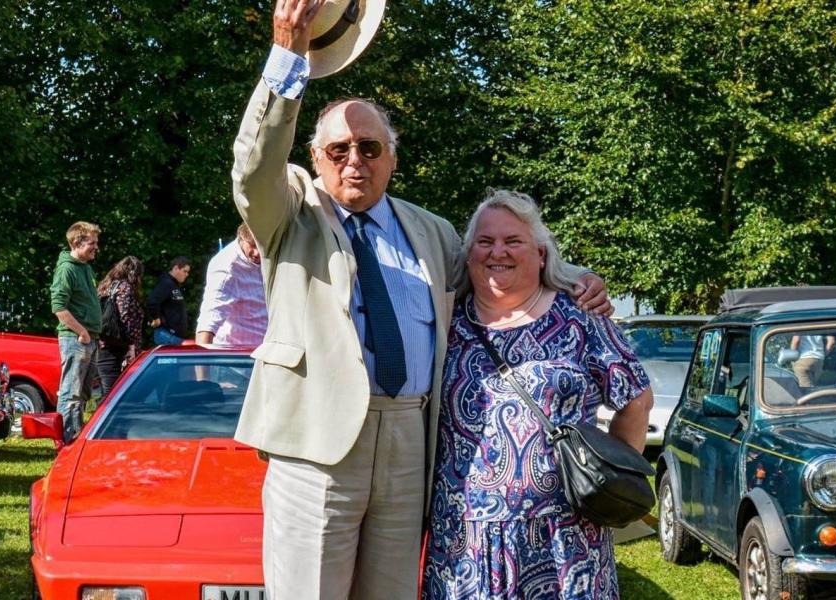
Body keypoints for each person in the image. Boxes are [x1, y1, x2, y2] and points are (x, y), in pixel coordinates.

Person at [231, 3, 611, 598]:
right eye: (338, 150)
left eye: (370, 148)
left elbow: (501, 268)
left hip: (412, 442)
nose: (354, 160)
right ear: (315, 159)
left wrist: (575, 277)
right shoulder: (290, 217)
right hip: (318, 449)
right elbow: (253, 168)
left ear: (392, 157)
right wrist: (289, 51)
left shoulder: (430, 233)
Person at [422, 190, 653, 600]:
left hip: (565, 539)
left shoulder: (580, 317)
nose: (499, 252)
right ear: (469, 252)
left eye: (513, 241)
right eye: (485, 241)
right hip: (464, 541)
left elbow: (635, 398)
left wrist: (607, 473)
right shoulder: (444, 324)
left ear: (541, 254)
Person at [50, 221, 103, 443]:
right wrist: (81, 332)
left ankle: (75, 436)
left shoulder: (85, 268)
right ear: (77, 242)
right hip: (75, 338)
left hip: (89, 338)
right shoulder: (67, 269)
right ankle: (65, 441)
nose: (96, 247)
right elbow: (59, 307)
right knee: (71, 390)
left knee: (83, 393)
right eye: (92, 243)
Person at [195, 223, 267, 346]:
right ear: (241, 238)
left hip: (267, 352)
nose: (257, 253)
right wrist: (201, 363)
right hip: (235, 359)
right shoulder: (226, 268)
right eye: (252, 245)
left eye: (261, 246)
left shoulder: (273, 255)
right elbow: (208, 322)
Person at [95, 256, 145, 396]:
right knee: (114, 395)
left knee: (108, 392)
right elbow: (126, 318)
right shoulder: (125, 289)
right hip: (119, 349)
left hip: (103, 344)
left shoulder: (105, 287)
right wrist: (132, 345)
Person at [146, 256, 191, 345]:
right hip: (167, 335)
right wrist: (156, 318)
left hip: (173, 336)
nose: (187, 274)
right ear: (175, 268)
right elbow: (152, 301)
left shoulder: (173, 284)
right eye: (184, 271)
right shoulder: (166, 283)